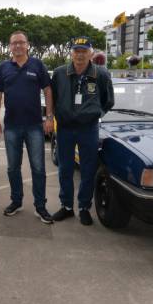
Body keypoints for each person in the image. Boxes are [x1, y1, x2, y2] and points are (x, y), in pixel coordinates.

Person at [50, 37, 115, 225]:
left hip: (88, 129)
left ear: (90, 53)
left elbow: (108, 100)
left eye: (84, 51)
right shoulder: (60, 73)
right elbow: (53, 97)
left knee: (88, 170)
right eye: (76, 51)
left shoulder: (101, 74)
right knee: (65, 169)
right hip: (65, 128)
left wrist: (95, 113)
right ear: (71, 53)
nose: (80, 55)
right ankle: (66, 206)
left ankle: (84, 208)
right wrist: (56, 115)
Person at [0, 31, 54, 223]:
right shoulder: (3, 67)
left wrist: (49, 117)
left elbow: (48, 90)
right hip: (11, 126)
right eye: (14, 43)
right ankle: (16, 201)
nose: (18, 46)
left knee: (38, 168)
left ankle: (40, 206)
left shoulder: (37, 65)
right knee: (13, 168)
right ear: (10, 46)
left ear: (27, 45)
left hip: (34, 125)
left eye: (21, 42)